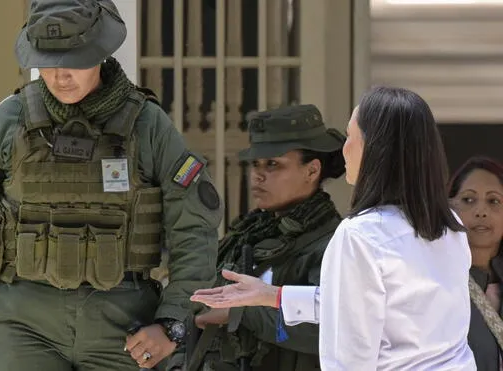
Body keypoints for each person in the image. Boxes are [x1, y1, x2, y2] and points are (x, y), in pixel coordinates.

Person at [0, 1, 223, 370]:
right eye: (47, 61)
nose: (60, 75)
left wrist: (172, 322)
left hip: (122, 323)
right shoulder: (8, 121)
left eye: (74, 60)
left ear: (101, 54)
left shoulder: (148, 126)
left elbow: (194, 229)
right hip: (20, 322)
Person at [191, 86, 477, 370]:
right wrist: (273, 296)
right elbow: (364, 308)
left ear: (376, 150)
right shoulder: (449, 226)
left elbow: (349, 357)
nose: (344, 149)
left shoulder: (361, 234)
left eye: (351, 136)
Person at [188, 105, 346, 371]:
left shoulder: (333, 243)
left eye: (273, 164)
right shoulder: (251, 231)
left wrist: (241, 312)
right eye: (255, 164)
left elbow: (331, 329)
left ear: (312, 170)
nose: (258, 175)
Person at [449, 156, 503, 371]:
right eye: (468, 200)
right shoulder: (434, 284)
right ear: (449, 206)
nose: (481, 211)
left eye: (494, 201)